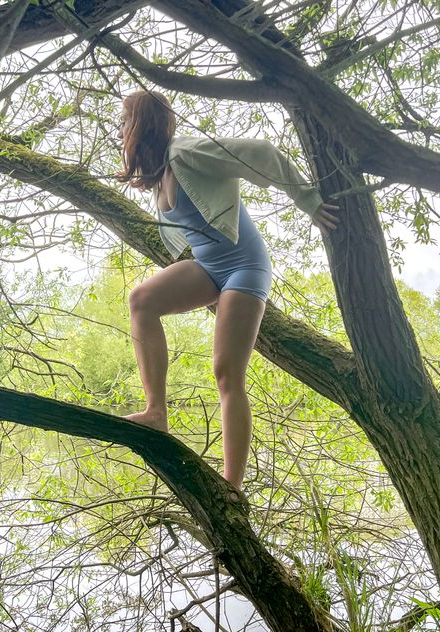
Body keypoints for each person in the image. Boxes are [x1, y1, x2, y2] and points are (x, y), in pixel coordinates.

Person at [116, 89, 339, 491]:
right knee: (141, 301)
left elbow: (260, 152)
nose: (119, 130)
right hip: (209, 267)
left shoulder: (186, 152)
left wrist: (307, 200)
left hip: (244, 269)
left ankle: (232, 487)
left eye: (124, 120)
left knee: (226, 373)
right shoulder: (160, 172)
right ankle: (156, 412)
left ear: (141, 124)